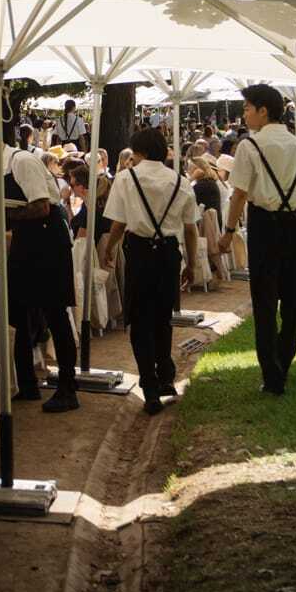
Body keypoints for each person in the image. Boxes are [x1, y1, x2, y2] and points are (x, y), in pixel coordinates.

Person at [218, 84, 296, 396]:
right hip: (295, 226)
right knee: (294, 302)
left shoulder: (249, 146)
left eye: (247, 108)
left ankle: (272, 374)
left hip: (264, 226)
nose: (244, 114)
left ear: (263, 111)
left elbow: (239, 194)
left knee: (264, 302)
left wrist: (229, 232)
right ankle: (284, 361)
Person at [100, 128, 194, 414]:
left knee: (139, 320)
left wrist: (109, 247)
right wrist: (192, 263)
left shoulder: (126, 178)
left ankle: (150, 387)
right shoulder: (180, 180)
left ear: (138, 152)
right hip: (169, 252)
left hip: (140, 252)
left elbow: (118, 223)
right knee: (163, 317)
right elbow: (191, 227)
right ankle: (165, 375)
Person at [3, 139, 80, 412]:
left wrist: (8, 213)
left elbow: (42, 206)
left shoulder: (21, 161)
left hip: (48, 240)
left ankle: (68, 388)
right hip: (26, 241)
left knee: (55, 313)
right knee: (17, 310)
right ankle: (27, 383)